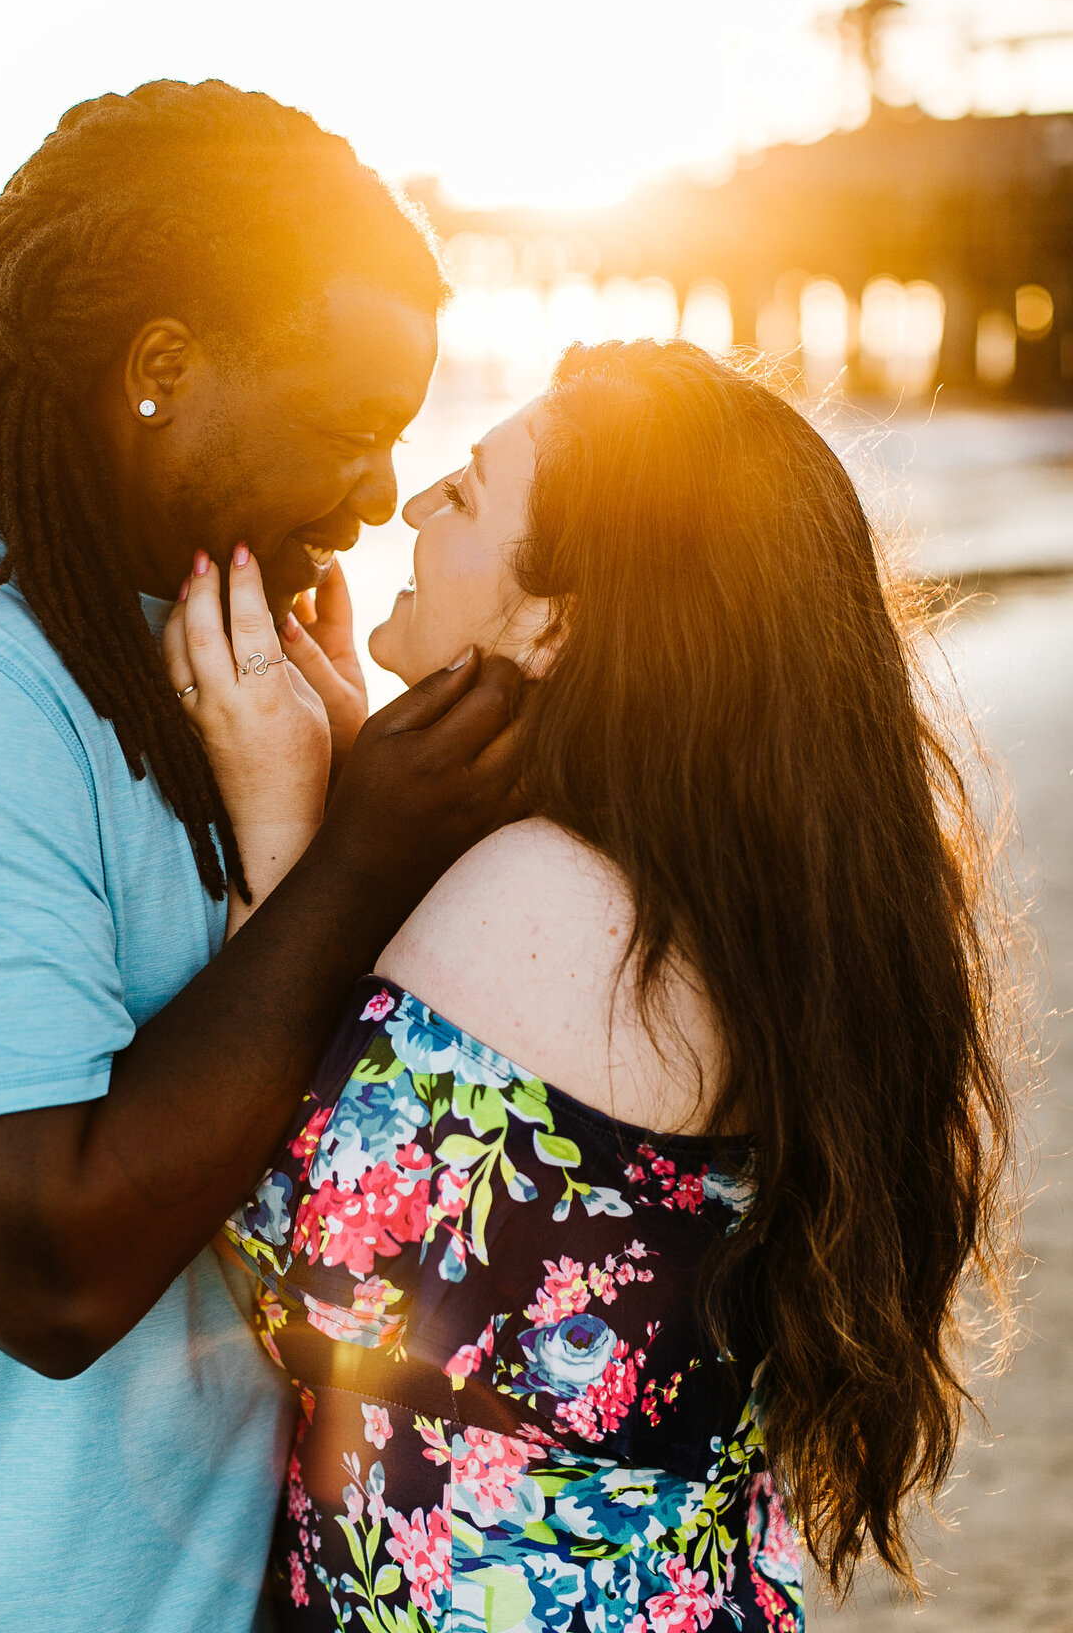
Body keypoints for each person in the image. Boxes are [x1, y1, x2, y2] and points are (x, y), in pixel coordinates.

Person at [176, 339, 1021, 1631]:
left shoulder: (554, 893)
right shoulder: (711, 882)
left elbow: (295, 1279)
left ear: (558, 617)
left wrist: (286, 826)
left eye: (461, 494)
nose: (408, 508)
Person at [0, 80, 523, 1633]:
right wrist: (362, 855)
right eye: (347, 432)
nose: (377, 495)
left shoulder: (203, 649)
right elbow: (50, 1267)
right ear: (161, 368)